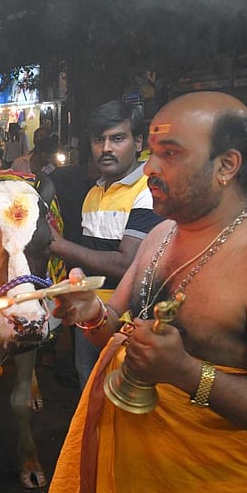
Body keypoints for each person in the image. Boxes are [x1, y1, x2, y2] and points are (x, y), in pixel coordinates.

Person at [39, 91, 247, 493]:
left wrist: (188, 374)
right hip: (125, 475)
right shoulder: (159, 236)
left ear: (226, 166)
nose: (151, 169)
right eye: (152, 154)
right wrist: (89, 311)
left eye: (170, 154)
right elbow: (113, 334)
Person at [47, 100, 163, 389]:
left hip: (131, 321)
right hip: (91, 315)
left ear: (138, 142)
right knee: (91, 391)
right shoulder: (95, 193)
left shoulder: (147, 190)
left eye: (117, 138)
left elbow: (126, 263)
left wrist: (59, 245)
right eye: (99, 140)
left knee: (126, 397)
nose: (106, 148)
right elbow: (90, 258)